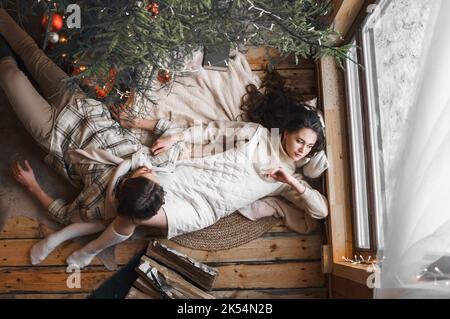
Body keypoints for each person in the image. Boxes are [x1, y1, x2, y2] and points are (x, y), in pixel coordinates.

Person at [1, 8, 328, 268]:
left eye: (309, 148)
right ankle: (80, 244)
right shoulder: (257, 135)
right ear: (285, 133)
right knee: (120, 208)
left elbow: (319, 212)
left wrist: (295, 182)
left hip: (203, 208)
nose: (302, 150)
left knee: (128, 212)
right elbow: (211, 130)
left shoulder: (284, 181)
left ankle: (86, 250)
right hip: (180, 175)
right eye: (300, 141)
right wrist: (174, 140)